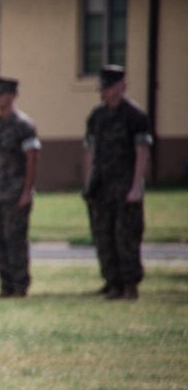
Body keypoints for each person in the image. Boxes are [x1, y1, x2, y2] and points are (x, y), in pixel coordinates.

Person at [82, 65, 151, 301]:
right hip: (102, 186)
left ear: (122, 86)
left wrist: (136, 186)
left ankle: (130, 285)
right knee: (104, 236)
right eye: (103, 87)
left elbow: (141, 151)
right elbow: (90, 151)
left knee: (126, 237)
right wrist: (88, 182)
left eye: (109, 86)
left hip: (124, 186)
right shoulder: (97, 116)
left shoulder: (135, 115)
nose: (105, 91)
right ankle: (112, 284)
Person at [0, 77, 40, 298]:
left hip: (16, 193)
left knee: (16, 240)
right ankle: (5, 285)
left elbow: (32, 159)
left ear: (13, 95)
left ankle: (20, 285)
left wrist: (27, 191)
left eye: (1, 93)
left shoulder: (23, 126)